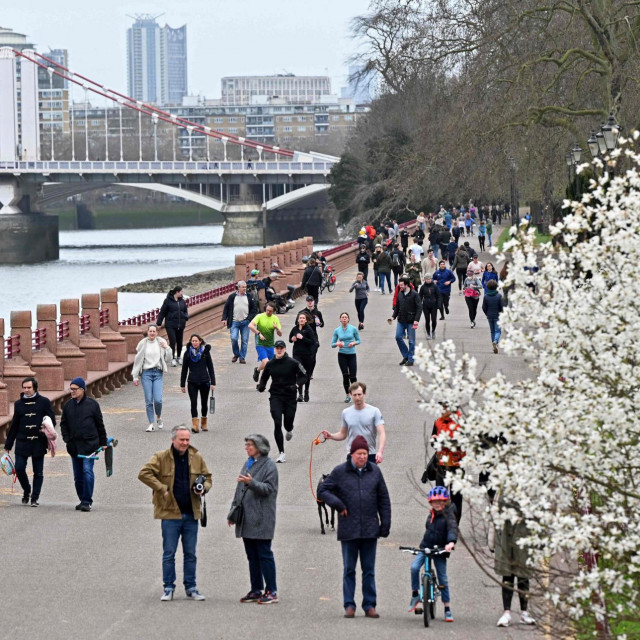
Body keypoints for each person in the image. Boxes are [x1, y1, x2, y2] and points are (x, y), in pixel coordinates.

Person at [317, 435, 391, 619]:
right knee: (349, 569)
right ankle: (349, 605)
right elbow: (322, 490)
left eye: (365, 453)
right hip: (349, 529)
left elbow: (384, 499)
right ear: (352, 454)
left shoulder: (375, 472)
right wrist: (339, 505)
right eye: (359, 453)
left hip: (369, 528)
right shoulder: (340, 472)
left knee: (369, 570)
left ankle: (369, 605)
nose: (363, 457)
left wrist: (385, 524)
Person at [138, 425, 211, 602]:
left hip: (191, 513)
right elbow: (144, 473)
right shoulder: (161, 457)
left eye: (187, 439)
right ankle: (168, 588)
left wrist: (203, 488)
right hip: (170, 513)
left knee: (190, 553)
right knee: (169, 553)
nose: (185, 443)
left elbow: (207, 477)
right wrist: (161, 488)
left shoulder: (197, 457)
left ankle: (191, 587)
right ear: (173, 440)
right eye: (182, 440)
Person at [228, 434, 279, 605]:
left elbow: (270, 489)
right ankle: (256, 589)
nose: (247, 447)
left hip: (262, 517)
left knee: (264, 554)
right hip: (247, 517)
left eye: (250, 445)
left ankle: (271, 590)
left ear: (259, 447)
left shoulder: (270, 466)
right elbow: (239, 489)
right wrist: (233, 512)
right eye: (246, 444)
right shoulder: (249, 462)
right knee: (252, 556)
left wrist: (252, 483)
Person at [4, 377, 56, 507]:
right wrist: (8, 444)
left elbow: (52, 420)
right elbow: (14, 424)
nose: (26, 390)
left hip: (38, 440)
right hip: (22, 441)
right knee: (20, 468)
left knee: (38, 471)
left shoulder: (44, 402)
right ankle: (27, 490)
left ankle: (34, 497)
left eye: (29, 388)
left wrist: (45, 427)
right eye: (24, 387)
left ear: (35, 388)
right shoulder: (18, 404)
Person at [408, 486, 457, 621]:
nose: (438, 504)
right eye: (435, 502)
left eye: (441, 501)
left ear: (445, 502)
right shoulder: (431, 514)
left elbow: (452, 528)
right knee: (414, 568)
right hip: (426, 547)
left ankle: (447, 608)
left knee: (443, 578)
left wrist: (450, 543)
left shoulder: (449, 516)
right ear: (431, 503)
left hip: (440, 550)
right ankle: (415, 594)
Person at [60, 377, 107, 512]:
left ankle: (87, 501)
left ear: (83, 389)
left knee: (87, 471)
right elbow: (63, 424)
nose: (72, 391)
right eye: (71, 389)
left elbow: (100, 425)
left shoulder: (92, 405)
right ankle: (82, 499)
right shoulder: (68, 405)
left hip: (89, 445)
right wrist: (67, 439)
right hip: (74, 446)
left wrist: (103, 442)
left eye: (75, 389)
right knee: (77, 476)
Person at [257, 340, 306, 463]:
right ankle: (281, 453)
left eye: (281, 348)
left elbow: (304, 376)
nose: (279, 350)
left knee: (287, 423)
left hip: (290, 396)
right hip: (276, 396)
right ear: (274, 349)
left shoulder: (293, 363)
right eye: (277, 348)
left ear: (284, 349)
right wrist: (261, 386)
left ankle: (289, 429)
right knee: (277, 422)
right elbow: (264, 378)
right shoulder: (270, 364)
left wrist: (296, 385)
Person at [322, 382, 386, 464]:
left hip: (369, 455)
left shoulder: (374, 411)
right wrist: (331, 436)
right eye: (354, 395)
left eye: (359, 394)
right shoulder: (346, 412)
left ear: (364, 394)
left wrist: (380, 452)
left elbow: (382, 433)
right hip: (352, 455)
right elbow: (343, 434)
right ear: (351, 395)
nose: (357, 397)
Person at [493, 512, 536, 627]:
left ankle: (524, 612)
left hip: (524, 533)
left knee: (523, 573)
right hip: (505, 534)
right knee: (507, 574)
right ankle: (506, 612)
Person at [132, 324, 172, 432]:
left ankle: (158, 416)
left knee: (158, 400)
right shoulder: (143, 344)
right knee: (149, 400)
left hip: (158, 373)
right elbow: (138, 360)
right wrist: (135, 376)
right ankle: (151, 423)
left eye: (154, 331)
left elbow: (169, 359)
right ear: (147, 332)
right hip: (146, 374)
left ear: (157, 333)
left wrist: (167, 347)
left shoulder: (160, 342)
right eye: (150, 331)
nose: (152, 333)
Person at [432, 407, 465, 522]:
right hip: (441, 465)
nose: (442, 411)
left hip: (456, 466)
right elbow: (433, 438)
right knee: (439, 495)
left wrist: (445, 442)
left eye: (445, 409)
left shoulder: (460, 423)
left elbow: (463, 442)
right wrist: (435, 441)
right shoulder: (438, 421)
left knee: (456, 497)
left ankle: (454, 523)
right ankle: (440, 522)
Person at [180, 334, 216, 433]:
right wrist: (182, 384)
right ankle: (195, 424)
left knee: (204, 403)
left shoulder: (206, 352)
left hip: (205, 381)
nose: (194, 343)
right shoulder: (187, 353)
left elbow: (211, 368)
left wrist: (213, 382)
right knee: (193, 402)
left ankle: (204, 422)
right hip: (192, 381)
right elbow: (184, 370)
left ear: (200, 341)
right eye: (193, 341)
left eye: (196, 341)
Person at [222, 281, 259, 364]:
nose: (244, 288)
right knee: (234, 338)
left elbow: (254, 309)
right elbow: (226, 308)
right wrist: (224, 319)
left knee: (244, 340)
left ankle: (242, 357)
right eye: (243, 287)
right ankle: (236, 354)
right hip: (234, 321)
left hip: (245, 322)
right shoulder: (232, 296)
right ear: (238, 288)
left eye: (245, 287)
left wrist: (249, 319)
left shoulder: (250, 296)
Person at [249, 302, 283, 383]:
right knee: (266, 362)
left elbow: (280, 334)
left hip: (270, 344)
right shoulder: (260, 316)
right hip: (260, 344)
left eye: (270, 311)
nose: (268, 312)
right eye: (267, 310)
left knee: (269, 366)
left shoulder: (275, 319)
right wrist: (259, 333)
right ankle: (257, 371)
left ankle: (259, 375)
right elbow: (250, 325)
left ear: (273, 311)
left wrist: (276, 328)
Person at [331, 312, 361, 403]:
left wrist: (353, 343)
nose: (344, 318)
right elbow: (332, 344)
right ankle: (347, 395)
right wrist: (338, 344)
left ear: (348, 319)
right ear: (340, 319)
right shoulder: (337, 330)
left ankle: (356, 394)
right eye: (342, 317)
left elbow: (359, 340)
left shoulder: (353, 329)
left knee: (353, 376)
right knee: (345, 375)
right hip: (342, 355)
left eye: (346, 317)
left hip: (351, 354)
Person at [392, 276, 422, 366]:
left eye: (401, 285)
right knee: (398, 337)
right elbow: (397, 307)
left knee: (411, 341)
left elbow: (419, 307)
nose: (400, 287)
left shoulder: (414, 294)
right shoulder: (400, 293)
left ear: (406, 285)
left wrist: (416, 320)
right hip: (401, 319)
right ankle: (406, 356)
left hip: (411, 320)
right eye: (399, 285)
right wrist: (393, 316)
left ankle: (411, 359)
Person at [156, 286, 189, 366]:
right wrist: (159, 323)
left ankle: (178, 357)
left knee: (180, 342)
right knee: (173, 341)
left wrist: (185, 317)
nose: (182, 293)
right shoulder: (167, 301)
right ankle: (172, 358)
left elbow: (185, 311)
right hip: (170, 325)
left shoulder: (182, 301)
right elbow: (162, 312)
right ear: (177, 292)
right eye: (181, 292)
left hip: (180, 325)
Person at [289, 312, 316, 402]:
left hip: (307, 355)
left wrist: (302, 338)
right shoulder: (295, 329)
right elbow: (290, 339)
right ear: (298, 319)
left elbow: (312, 342)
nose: (301, 319)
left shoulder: (308, 329)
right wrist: (292, 339)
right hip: (297, 354)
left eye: (303, 318)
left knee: (306, 374)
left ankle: (306, 391)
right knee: (299, 373)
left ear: (306, 320)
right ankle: (300, 394)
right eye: (300, 318)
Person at [482, 279, 505, 354]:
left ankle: (493, 345)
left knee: (492, 331)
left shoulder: (486, 296)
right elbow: (502, 307)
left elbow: (484, 307)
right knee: (498, 330)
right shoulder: (499, 296)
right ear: (496, 287)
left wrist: (487, 313)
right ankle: (495, 341)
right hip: (497, 315)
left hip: (489, 315)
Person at [419, 273, 442, 340]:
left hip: (433, 305)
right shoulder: (423, 287)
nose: (428, 280)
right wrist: (419, 305)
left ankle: (433, 331)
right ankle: (428, 333)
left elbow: (439, 296)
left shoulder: (434, 286)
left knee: (434, 320)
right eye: (427, 279)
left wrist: (439, 304)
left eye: (429, 279)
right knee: (427, 320)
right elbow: (420, 296)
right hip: (426, 305)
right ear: (425, 280)